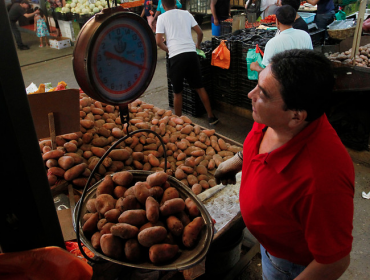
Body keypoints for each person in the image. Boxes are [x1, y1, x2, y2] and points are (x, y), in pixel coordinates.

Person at [215, 49, 354, 280]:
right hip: (270, 246)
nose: (251, 95)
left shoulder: (322, 182)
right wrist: (239, 160)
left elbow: (335, 262)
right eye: (256, 86)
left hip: (290, 267)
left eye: (263, 94)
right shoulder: (273, 119)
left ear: (296, 117)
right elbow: (258, 140)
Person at [156, 0, 219, 125]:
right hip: (191, 53)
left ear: (163, 6)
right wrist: (198, 45)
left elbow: (158, 41)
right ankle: (211, 116)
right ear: (175, 3)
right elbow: (200, 32)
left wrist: (168, 50)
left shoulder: (161, 18)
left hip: (176, 57)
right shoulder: (186, 14)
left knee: (178, 92)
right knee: (200, 87)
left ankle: (178, 122)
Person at [250, 5, 312, 72]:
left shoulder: (273, 43)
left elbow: (268, 72)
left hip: (283, 81)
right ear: (294, 19)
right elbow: (311, 59)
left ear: (277, 21)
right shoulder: (305, 35)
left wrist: (256, 67)